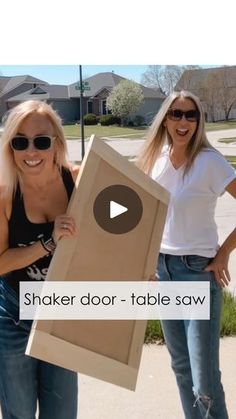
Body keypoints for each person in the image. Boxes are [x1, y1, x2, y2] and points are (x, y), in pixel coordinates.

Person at [137, 90, 236, 419]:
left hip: (197, 272)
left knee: (204, 381)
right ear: (165, 118)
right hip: (164, 272)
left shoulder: (209, 162)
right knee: (180, 369)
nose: (183, 122)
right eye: (176, 114)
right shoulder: (159, 160)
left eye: (190, 115)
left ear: (199, 121)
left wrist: (224, 253)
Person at [0, 100, 79, 419]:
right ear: (10, 146)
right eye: (20, 142)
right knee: (18, 413)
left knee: (61, 413)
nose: (31, 152)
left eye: (41, 141)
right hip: (14, 317)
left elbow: (119, 232)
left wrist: (136, 269)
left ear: (57, 143)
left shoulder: (78, 181)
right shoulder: (5, 193)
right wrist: (47, 242)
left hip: (61, 315)